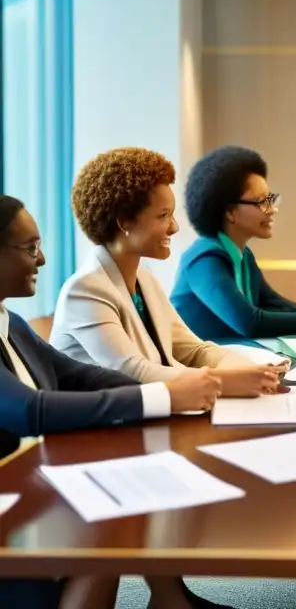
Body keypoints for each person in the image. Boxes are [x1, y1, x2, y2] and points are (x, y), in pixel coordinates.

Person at [0, 195, 231, 609]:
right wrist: (159, 395)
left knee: (135, 480)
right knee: (115, 511)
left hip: (28, 481)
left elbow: (78, 375)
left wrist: (159, 397)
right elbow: (28, 410)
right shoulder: (82, 291)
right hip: (12, 497)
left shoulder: (10, 323)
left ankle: (170, 598)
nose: (43, 260)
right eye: (30, 247)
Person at [50, 148, 282, 395]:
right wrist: (229, 382)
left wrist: (252, 372)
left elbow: (195, 351)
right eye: (163, 215)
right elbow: (134, 372)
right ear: (124, 221)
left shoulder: (145, 279)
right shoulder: (85, 291)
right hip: (96, 430)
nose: (174, 227)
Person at [170, 145, 296, 342]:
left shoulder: (242, 255)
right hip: (193, 369)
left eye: (271, 199)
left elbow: (274, 304)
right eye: (261, 202)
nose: (272, 210)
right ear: (230, 212)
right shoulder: (204, 260)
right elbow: (251, 323)